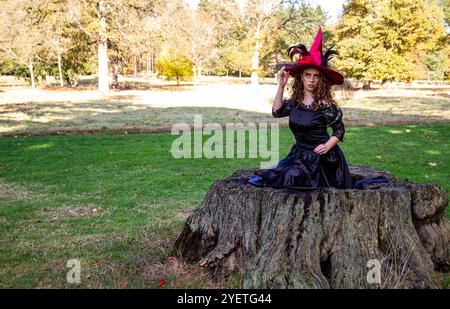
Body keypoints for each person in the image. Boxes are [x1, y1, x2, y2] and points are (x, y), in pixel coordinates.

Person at [248, 26, 353, 190]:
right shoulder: (295, 102)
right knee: (273, 174)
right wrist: (281, 86)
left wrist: (327, 146)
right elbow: (276, 112)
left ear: (321, 80)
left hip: (322, 158)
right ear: (301, 78)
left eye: (316, 76)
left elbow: (339, 131)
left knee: (290, 177)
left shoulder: (326, 104)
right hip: (299, 154)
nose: (312, 80)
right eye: (308, 75)